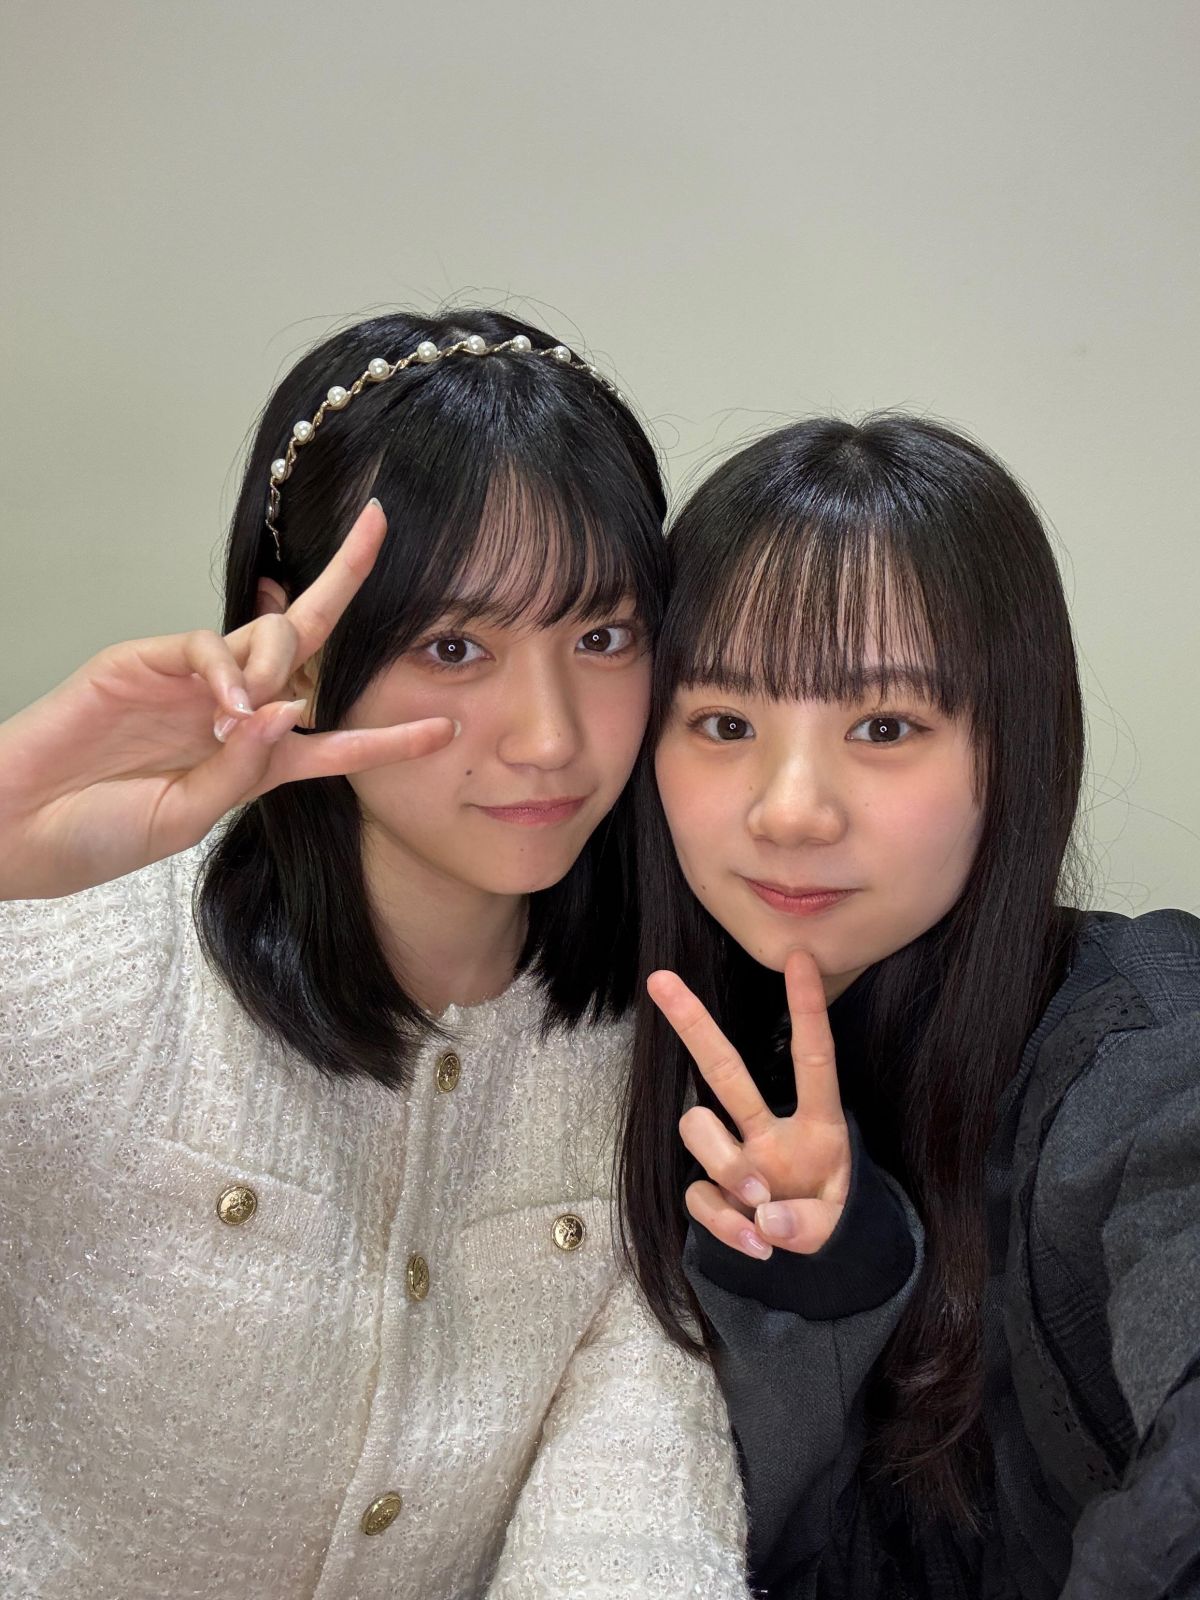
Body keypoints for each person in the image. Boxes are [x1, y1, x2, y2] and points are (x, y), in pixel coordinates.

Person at [0, 309, 749, 1599]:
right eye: (454, 647)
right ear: (295, 640)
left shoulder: (671, 1044)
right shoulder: (77, 967)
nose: (548, 737)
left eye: (602, 638)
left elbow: (631, 1513)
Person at [617, 415, 1200, 1598]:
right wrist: (823, 1290)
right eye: (725, 723)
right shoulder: (634, 1053)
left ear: (1013, 750)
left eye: (884, 727)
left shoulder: (1145, 1042)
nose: (790, 809)